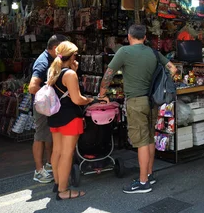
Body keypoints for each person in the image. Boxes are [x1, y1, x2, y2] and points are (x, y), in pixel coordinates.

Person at [98, 24, 177, 194]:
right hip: (152, 102)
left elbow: (109, 73)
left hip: (136, 101)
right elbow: (173, 68)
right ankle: (148, 174)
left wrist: (101, 93)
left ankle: (143, 182)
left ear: (129, 36)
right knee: (149, 138)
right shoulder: (153, 52)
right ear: (145, 37)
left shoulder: (124, 52)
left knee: (141, 141)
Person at [47, 41, 98, 200]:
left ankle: (57, 183)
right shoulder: (69, 74)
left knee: (57, 151)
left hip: (55, 116)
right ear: (71, 56)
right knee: (67, 154)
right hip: (69, 116)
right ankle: (63, 190)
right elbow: (77, 99)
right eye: (76, 54)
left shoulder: (53, 70)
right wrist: (89, 100)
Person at [29, 34, 68, 183]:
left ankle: (49, 165)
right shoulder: (43, 62)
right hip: (43, 105)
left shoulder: (52, 59)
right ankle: (39, 171)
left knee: (48, 135)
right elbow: (33, 87)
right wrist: (48, 94)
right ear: (54, 48)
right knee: (40, 135)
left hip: (49, 106)